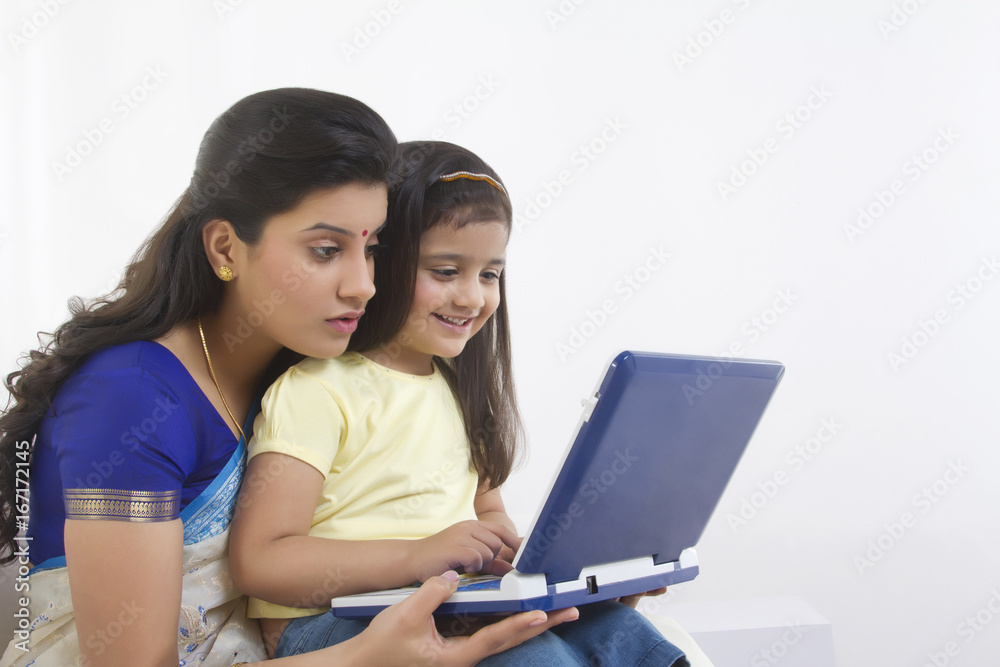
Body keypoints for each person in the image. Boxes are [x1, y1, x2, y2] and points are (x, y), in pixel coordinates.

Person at [0, 90, 577, 666]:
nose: (364, 285)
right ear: (226, 246)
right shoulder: (129, 398)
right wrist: (366, 658)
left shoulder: (312, 371)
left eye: (372, 248)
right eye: (326, 250)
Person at [228, 141, 689, 666]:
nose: (472, 297)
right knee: (535, 659)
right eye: (446, 271)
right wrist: (416, 556)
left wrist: (531, 566)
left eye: (489, 274)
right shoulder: (318, 389)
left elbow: (485, 511)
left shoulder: (461, 390)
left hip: (450, 598)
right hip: (331, 623)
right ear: (381, 263)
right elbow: (261, 562)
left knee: (624, 632)